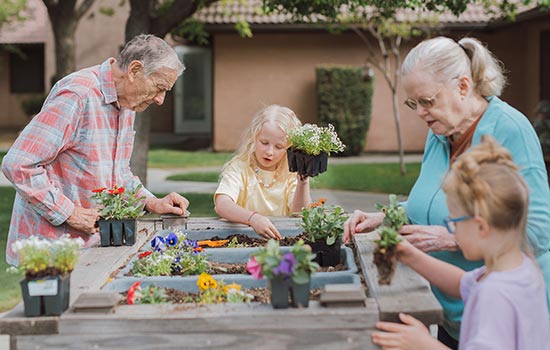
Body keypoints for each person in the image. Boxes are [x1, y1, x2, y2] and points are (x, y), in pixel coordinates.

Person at [344, 36, 550, 348]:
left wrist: (451, 238)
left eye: (428, 101)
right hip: (455, 314)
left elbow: (538, 231)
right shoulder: (440, 132)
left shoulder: (511, 129)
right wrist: (383, 217)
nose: (421, 113)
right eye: (413, 103)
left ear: (464, 86)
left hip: (504, 319)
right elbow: (431, 203)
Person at [1, 34, 189, 265]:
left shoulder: (127, 105)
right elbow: (19, 164)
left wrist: (152, 202)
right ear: (134, 70)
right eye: (160, 87)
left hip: (93, 248)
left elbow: (118, 173)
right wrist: (68, 212)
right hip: (49, 253)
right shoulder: (78, 95)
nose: (161, 99)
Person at [371, 136, 550, 350]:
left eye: (453, 221)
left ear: (481, 227)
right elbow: (463, 284)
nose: (451, 228)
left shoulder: (495, 295)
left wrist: (424, 345)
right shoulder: (520, 269)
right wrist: (409, 254)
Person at [214, 105, 311, 240]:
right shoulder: (240, 167)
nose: (269, 152)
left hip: (280, 239)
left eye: (279, 147)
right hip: (242, 238)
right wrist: (253, 218)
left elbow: (300, 212)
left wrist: (303, 182)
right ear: (254, 137)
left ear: (290, 149)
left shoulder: (290, 173)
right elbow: (222, 205)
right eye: (264, 143)